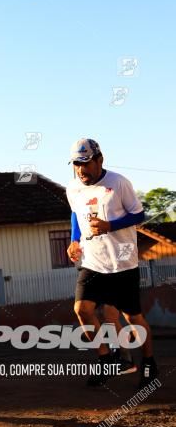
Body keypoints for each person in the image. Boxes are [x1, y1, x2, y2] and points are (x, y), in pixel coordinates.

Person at [65, 138, 157, 388]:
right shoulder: (73, 188)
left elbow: (139, 214)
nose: (81, 170)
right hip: (92, 262)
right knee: (82, 309)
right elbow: (75, 213)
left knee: (132, 318)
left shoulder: (118, 183)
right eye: (76, 164)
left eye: (85, 163)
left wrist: (110, 226)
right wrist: (74, 240)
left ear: (99, 160)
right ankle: (106, 360)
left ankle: (149, 363)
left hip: (122, 263)